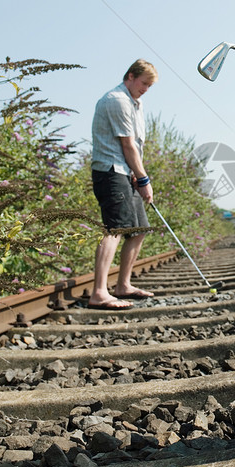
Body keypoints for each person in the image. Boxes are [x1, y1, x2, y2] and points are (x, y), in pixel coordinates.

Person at [88, 59, 158, 310]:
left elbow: (136, 146)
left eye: (150, 86)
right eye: (144, 83)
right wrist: (143, 178)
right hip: (110, 172)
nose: (146, 89)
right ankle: (98, 292)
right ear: (130, 76)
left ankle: (123, 285)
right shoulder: (116, 100)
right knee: (114, 229)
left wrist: (137, 176)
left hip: (125, 173)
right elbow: (127, 145)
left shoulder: (135, 103)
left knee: (139, 229)